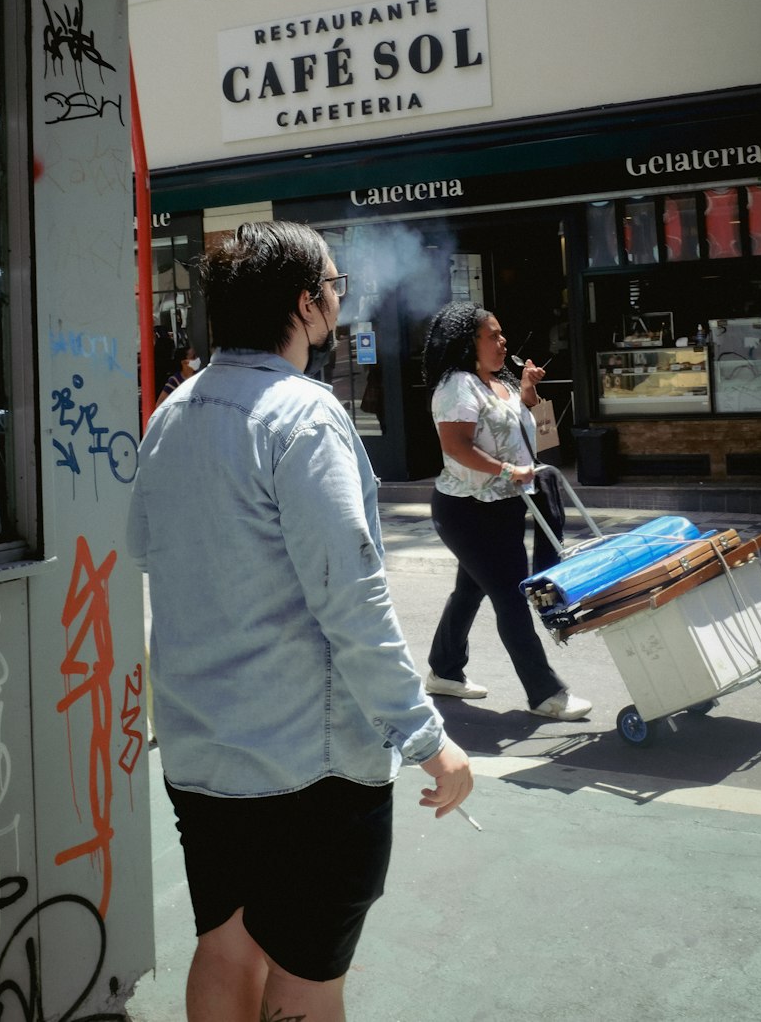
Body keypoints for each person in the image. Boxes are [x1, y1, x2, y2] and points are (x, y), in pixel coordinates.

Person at [128, 221, 472, 1022]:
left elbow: (150, 564)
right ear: (305, 304)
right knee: (308, 974)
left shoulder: (171, 416)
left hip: (201, 751)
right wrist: (428, 739)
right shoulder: (303, 418)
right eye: (333, 288)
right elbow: (352, 603)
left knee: (224, 943)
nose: (338, 303)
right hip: (306, 765)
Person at [423, 300, 592, 722]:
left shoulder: (496, 382)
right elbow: (456, 446)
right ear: (468, 343)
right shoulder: (457, 385)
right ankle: (546, 693)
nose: (503, 342)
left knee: (470, 590)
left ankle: (443, 671)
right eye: (492, 335)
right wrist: (506, 470)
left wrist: (528, 394)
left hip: (503, 505)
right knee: (510, 596)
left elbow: (505, 425)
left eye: (501, 334)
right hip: (466, 510)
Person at [154, 344, 201, 409]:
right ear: (184, 362)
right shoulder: (174, 381)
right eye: (193, 357)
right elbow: (159, 404)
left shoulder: (200, 376)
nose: (197, 359)